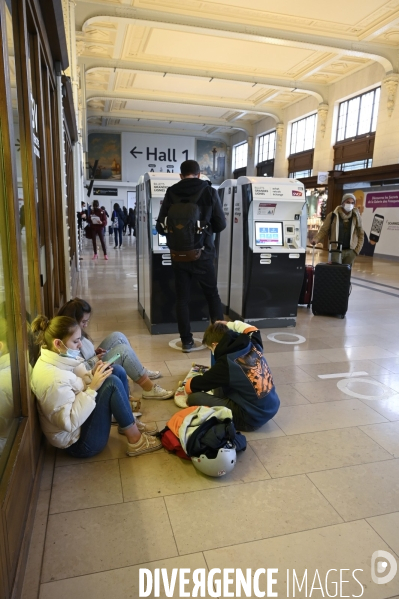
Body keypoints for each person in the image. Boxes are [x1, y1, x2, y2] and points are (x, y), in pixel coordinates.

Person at [30, 315, 162, 458]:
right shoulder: (53, 380)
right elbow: (68, 423)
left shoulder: (58, 357)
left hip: (80, 426)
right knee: (112, 383)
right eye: (76, 341)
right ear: (58, 343)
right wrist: (92, 389)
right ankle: (136, 441)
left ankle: (126, 422)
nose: (80, 345)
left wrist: (92, 374)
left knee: (116, 371)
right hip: (78, 444)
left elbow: (75, 384)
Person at [156, 160, 226, 352]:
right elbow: (220, 224)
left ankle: (186, 341)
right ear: (199, 173)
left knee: (182, 298)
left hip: (179, 255)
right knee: (212, 295)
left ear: (181, 175)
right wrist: (204, 231)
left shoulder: (171, 192)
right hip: (203, 254)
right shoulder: (209, 191)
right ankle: (220, 340)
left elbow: (160, 227)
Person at [57, 298, 174, 399]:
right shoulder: (67, 341)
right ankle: (149, 389)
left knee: (118, 336)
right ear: (73, 320)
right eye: (83, 322)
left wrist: (94, 353)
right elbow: (80, 370)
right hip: (90, 371)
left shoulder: (71, 332)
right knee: (123, 351)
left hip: (91, 360)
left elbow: (83, 354)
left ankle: (138, 370)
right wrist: (95, 359)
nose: (86, 325)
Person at [183, 321, 280, 431]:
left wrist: (191, 383)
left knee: (194, 398)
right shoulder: (252, 343)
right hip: (270, 407)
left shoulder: (226, 364)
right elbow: (252, 329)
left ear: (215, 345)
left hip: (250, 419)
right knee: (222, 380)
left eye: (211, 349)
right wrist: (227, 323)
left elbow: (190, 387)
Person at [311, 193, 364, 265]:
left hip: (350, 251)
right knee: (336, 273)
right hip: (336, 250)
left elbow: (361, 234)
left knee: (346, 273)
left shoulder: (356, 217)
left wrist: (356, 251)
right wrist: (316, 239)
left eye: (352, 203)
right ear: (342, 202)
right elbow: (324, 230)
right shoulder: (333, 215)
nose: (350, 204)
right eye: (348, 202)